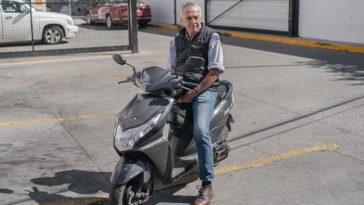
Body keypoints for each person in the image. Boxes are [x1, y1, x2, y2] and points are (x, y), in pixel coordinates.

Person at [166, 2, 224, 205]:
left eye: (196, 17)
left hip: (204, 89)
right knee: (163, 119)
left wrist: (194, 92)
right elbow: (171, 70)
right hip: (182, 88)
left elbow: (214, 73)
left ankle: (207, 185)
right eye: (189, 18)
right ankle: (167, 167)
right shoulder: (175, 40)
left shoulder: (212, 37)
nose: (194, 21)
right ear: (181, 20)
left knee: (200, 130)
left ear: (201, 17)